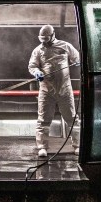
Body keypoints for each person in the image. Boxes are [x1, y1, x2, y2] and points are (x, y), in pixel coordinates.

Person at [28, 24, 80, 157]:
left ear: (53, 35)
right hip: (46, 90)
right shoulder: (38, 50)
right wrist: (37, 72)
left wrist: (77, 62)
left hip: (64, 89)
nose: (44, 42)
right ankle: (42, 147)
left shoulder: (65, 46)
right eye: (42, 39)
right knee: (43, 120)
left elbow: (77, 58)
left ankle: (78, 145)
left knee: (72, 119)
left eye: (46, 38)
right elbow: (32, 66)